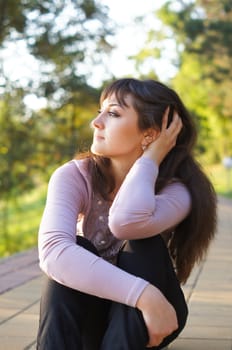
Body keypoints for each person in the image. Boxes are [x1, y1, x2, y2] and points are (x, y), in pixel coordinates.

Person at [36, 78, 217, 350]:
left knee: (144, 243)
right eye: (100, 111)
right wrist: (144, 295)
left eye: (113, 113)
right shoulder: (73, 176)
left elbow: (126, 224)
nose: (96, 123)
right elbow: (53, 252)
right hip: (110, 311)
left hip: (152, 319)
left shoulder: (177, 191)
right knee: (75, 248)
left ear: (150, 134)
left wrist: (149, 160)